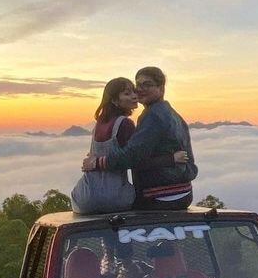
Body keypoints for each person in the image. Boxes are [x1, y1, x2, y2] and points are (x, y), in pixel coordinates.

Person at [83, 66, 197, 209]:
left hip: (161, 195)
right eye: (138, 84)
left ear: (161, 89)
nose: (140, 89)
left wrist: (97, 163)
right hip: (182, 192)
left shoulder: (153, 116)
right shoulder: (171, 114)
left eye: (147, 85)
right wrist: (170, 159)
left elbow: (133, 156)